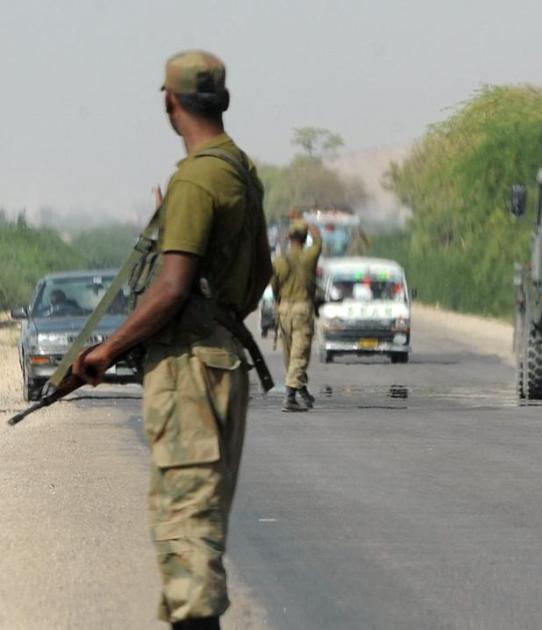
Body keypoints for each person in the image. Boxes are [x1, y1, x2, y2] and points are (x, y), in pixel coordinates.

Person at [74, 50, 271, 630]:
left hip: (189, 372)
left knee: (186, 530)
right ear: (222, 100)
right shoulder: (240, 170)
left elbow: (170, 288)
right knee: (198, 523)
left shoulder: (196, 178)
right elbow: (259, 275)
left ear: (170, 102)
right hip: (222, 362)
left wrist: (106, 351)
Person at [271, 219, 322, 412]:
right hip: (302, 309)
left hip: (283, 309)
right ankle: (290, 398)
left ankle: (301, 390)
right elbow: (319, 243)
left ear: (288, 237)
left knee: (290, 354)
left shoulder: (279, 260)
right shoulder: (310, 256)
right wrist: (310, 225)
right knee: (300, 355)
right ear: (305, 237)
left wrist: (280, 301)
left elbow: (274, 285)